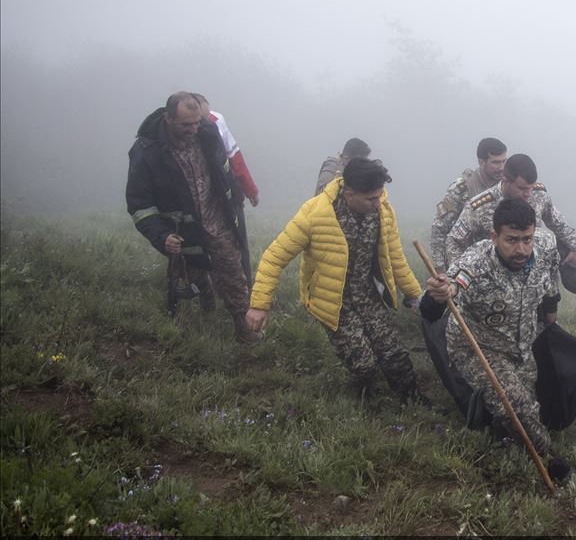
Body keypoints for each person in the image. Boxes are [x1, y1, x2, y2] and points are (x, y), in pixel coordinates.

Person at [245, 158, 430, 405]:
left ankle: (411, 399)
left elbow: (394, 257)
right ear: (349, 193)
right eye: (371, 199)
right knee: (364, 364)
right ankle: (365, 397)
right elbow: (274, 256)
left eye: (380, 196)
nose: (378, 203)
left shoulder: (383, 211)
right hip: (332, 300)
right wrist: (259, 304)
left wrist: (415, 295)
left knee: (394, 352)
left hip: (367, 295)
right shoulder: (315, 214)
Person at [422, 199, 572, 482]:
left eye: (526, 239)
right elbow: (445, 295)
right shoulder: (474, 263)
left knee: (526, 402)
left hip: (521, 346)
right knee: (519, 408)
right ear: (494, 237)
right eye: (512, 240)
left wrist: (551, 314)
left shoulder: (545, 245)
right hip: (478, 347)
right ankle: (551, 461)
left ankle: (496, 426)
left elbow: (551, 283)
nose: (521, 249)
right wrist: (438, 295)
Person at [126, 91, 259, 342]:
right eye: (187, 124)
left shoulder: (208, 134)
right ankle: (199, 305)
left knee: (233, 272)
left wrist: (236, 195)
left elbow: (225, 169)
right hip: (182, 231)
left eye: (197, 122)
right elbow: (139, 204)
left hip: (217, 220)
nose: (193, 129)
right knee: (194, 277)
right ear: (168, 118)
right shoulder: (147, 152)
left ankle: (244, 327)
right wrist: (161, 235)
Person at [444, 153, 576, 269]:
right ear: (505, 180)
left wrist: (573, 247)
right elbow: (454, 240)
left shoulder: (538, 195)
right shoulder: (480, 207)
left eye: (530, 188)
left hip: (535, 277)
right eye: (522, 188)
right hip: (494, 280)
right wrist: (461, 275)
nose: (528, 194)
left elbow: (558, 223)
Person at [429, 137, 507, 272]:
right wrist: (440, 268)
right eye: (495, 162)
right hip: (466, 264)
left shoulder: (507, 186)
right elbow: (439, 229)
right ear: (481, 162)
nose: (501, 167)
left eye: (504, 161)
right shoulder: (461, 189)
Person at [191, 93, 260, 207]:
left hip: (227, 187)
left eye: (207, 116)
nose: (206, 124)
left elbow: (234, 157)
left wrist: (250, 189)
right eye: (201, 120)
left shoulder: (217, 119)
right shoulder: (184, 131)